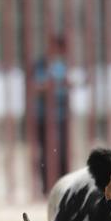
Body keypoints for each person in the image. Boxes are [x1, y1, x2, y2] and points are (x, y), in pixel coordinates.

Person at [31, 33, 70, 194]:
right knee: (46, 152)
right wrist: (50, 85)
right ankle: (47, 187)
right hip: (44, 117)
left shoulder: (63, 65)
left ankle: (62, 185)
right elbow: (35, 86)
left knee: (62, 151)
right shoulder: (41, 64)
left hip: (61, 116)